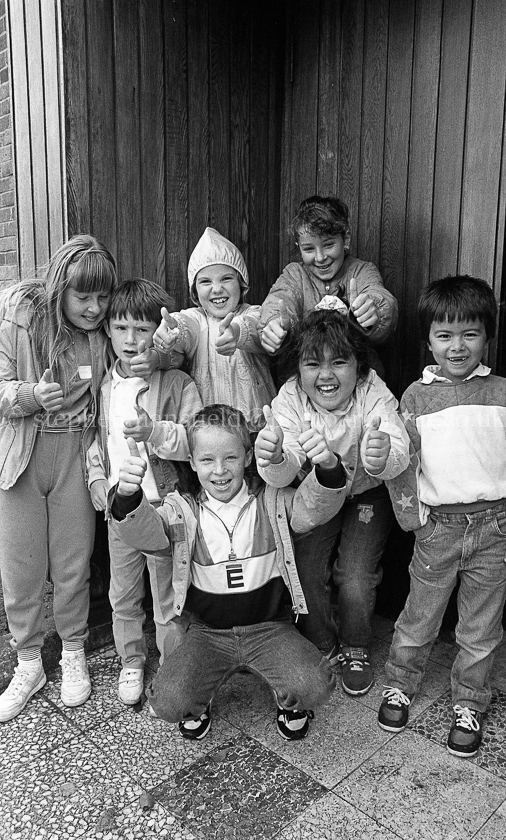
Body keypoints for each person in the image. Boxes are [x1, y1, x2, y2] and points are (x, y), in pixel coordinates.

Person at [109, 403, 349, 741]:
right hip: (208, 633)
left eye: (230, 458)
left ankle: (289, 700)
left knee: (314, 686)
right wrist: (127, 496)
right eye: (207, 460)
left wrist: (328, 466)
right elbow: (149, 537)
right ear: (192, 462)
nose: (219, 470)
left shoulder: (271, 500)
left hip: (270, 628)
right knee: (168, 702)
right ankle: (199, 699)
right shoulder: (180, 510)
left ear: (248, 457)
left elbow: (313, 507)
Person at [0, 235, 166, 724]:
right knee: (21, 565)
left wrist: (159, 356)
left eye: (102, 296)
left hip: (77, 454)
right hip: (23, 455)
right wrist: (29, 395)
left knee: (73, 563)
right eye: (83, 296)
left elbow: (154, 349)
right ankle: (28, 662)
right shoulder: (20, 317)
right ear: (60, 288)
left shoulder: (102, 335)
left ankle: (73, 650)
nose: (94, 308)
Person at [378, 275, 506, 759]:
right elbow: (402, 467)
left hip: (495, 528)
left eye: (470, 334)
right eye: (445, 335)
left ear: (487, 336)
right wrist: (416, 522)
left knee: (481, 626)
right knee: (419, 616)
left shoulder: (501, 393)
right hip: (438, 530)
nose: (457, 346)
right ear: (428, 340)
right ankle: (400, 684)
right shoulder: (414, 398)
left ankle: (470, 702)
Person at [255, 307, 410, 696]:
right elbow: (283, 471)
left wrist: (383, 455)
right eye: (313, 363)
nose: (326, 374)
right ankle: (321, 643)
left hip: (366, 492)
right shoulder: (290, 397)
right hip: (318, 493)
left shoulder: (372, 390)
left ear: (359, 365)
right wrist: (274, 457)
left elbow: (395, 443)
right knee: (306, 570)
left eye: (339, 361)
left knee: (355, 574)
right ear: (297, 369)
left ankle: (355, 645)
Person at [86, 278, 203, 705]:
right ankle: (131, 661)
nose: (131, 340)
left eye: (142, 329)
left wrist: (155, 431)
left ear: (158, 334)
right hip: (121, 510)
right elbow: (95, 441)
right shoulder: (104, 385)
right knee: (123, 594)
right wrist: (96, 479)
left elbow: (195, 442)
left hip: (165, 509)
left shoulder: (176, 382)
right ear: (108, 330)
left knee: (168, 598)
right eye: (121, 328)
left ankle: (172, 666)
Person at [258, 195, 397, 378]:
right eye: (309, 249)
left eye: (328, 245)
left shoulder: (361, 270)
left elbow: (379, 295)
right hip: (304, 383)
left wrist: (373, 311)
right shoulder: (294, 274)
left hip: (359, 380)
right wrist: (275, 325)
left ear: (346, 239)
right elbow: (279, 300)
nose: (320, 257)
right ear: (298, 247)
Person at [152, 227, 275, 432]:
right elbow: (184, 325)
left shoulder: (254, 312)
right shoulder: (197, 319)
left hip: (256, 431)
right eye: (205, 281)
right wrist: (172, 331)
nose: (217, 289)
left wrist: (236, 333)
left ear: (241, 283)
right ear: (195, 290)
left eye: (226, 279)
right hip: (208, 437)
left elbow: (256, 327)